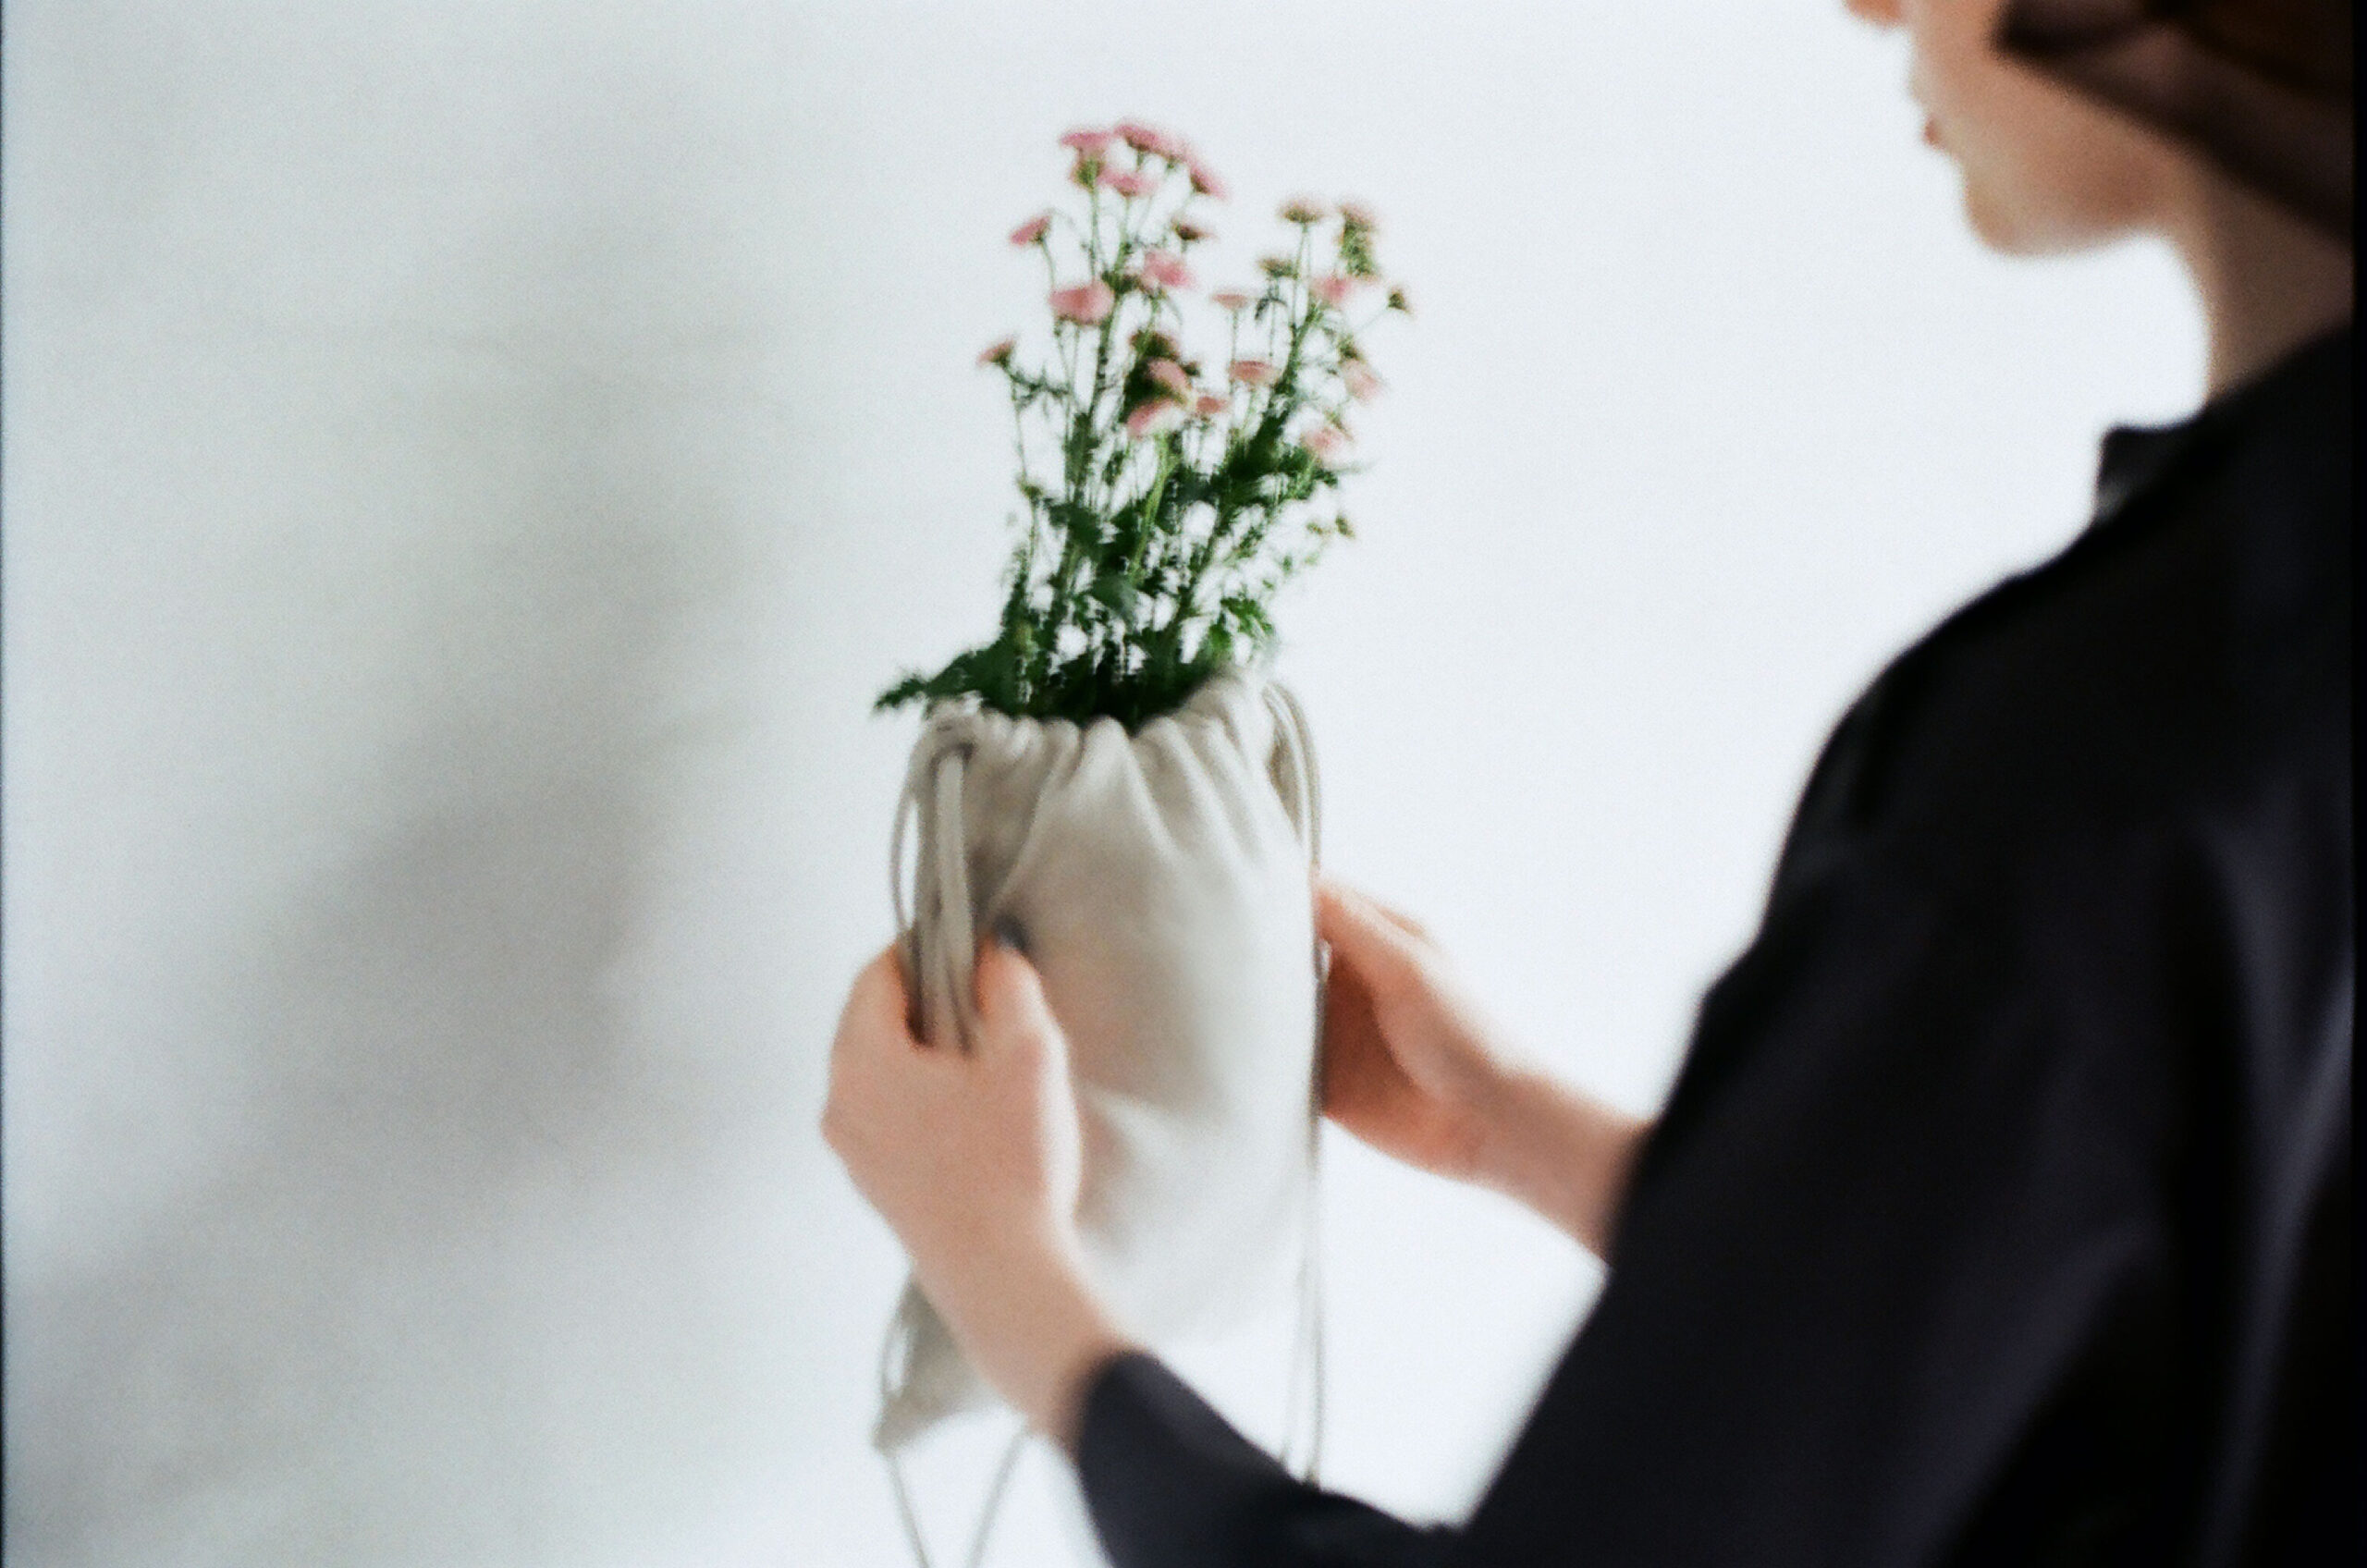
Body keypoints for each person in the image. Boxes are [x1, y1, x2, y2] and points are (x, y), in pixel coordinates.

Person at [822, 0, 2354, 1561]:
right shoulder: (2209, 719)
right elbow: (2153, 1346)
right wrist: (1528, 1136)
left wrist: (1022, 1298)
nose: (1874, 6)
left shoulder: (2077, 777)